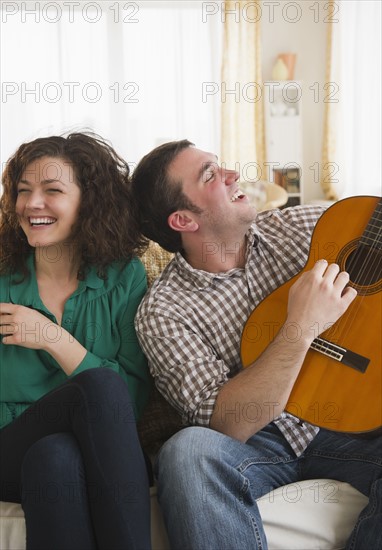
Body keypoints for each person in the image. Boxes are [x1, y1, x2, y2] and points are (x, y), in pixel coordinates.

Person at [130, 139, 382, 550]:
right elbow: (229, 424)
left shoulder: (303, 228)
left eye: (220, 165)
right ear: (182, 220)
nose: (232, 174)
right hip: (264, 441)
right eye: (210, 175)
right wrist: (301, 326)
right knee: (186, 452)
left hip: (355, 424)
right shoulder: (163, 312)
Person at [0, 133, 153, 550]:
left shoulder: (124, 276)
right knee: (101, 384)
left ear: (89, 202)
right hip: (5, 448)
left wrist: (52, 338)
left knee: (56, 459)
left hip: (76, 454)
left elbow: (131, 403)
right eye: (23, 191)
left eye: (52, 191)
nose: (32, 204)